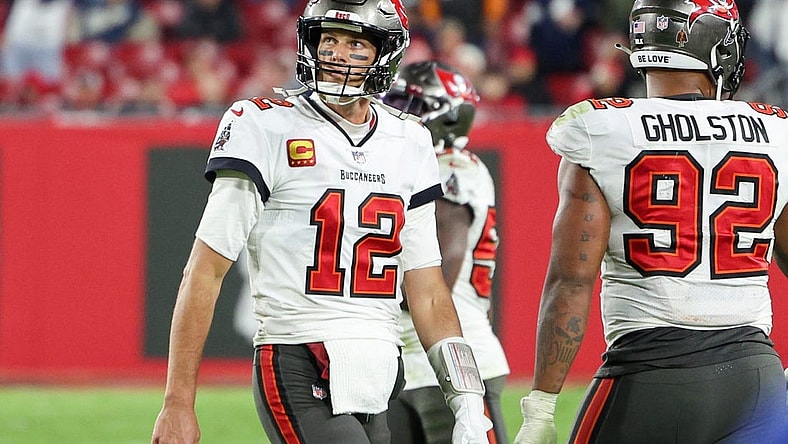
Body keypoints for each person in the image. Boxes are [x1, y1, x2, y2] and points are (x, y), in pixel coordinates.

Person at [150, 1, 492, 444]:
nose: (335, 54)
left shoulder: (409, 140)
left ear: (386, 54)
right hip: (300, 353)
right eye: (328, 38)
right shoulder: (264, 125)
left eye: (355, 44)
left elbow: (428, 291)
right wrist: (178, 400)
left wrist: (468, 398)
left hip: (382, 364)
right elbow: (204, 270)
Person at [513, 0, 788, 443]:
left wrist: (541, 406)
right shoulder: (776, 133)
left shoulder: (602, 129)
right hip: (754, 379)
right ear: (715, 46)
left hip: (648, 376)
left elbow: (571, 282)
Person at [382, 60, 510, 444]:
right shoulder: (407, 168)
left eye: (412, 105)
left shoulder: (450, 167)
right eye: (396, 102)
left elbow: (437, 273)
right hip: (406, 358)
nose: (398, 114)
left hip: (454, 356)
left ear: (449, 118)